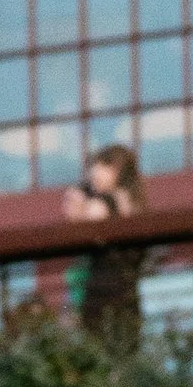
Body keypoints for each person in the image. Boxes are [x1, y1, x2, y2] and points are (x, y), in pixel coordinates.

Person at [64, 143, 147, 350]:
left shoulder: (112, 202)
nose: (95, 173)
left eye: (102, 166)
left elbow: (86, 216)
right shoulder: (132, 203)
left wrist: (80, 197)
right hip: (120, 297)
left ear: (117, 170)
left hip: (107, 297)